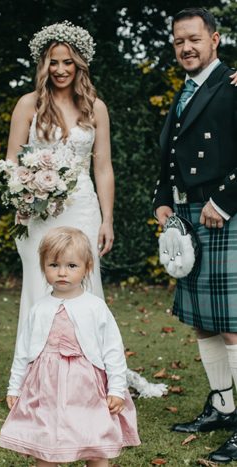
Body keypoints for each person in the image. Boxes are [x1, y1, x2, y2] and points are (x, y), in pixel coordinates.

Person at [152, 8, 237, 464]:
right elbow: (170, 156)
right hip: (188, 213)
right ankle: (223, 405)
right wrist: (162, 198)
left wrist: (224, 201)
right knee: (205, 317)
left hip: (224, 212)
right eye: (179, 41)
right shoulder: (185, 91)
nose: (186, 47)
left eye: (194, 39)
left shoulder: (231, 85)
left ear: (214, 39)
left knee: (233, 323)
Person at [5, 21, 114, 339]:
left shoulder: (96, 108)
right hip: (38, 212)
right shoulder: (29, 104)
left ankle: (88, 368)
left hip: (82, 208)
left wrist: (107, 219)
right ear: (43, 64)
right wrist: (23, 195)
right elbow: (12, 159)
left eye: (68, 62)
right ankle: (38, 369)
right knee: (40, 284)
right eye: (53, 61)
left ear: (79, 64)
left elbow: (103, 167)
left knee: (85, 284)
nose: (61, 69)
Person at [0, 227, 139, 465]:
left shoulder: (95, 307)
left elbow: (113, 350)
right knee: (46, 442)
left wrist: (116, 389)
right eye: (54, 265)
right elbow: (23, 352)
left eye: (71, 266)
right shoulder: (39, 308)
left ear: (87, 268)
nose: (62, 272)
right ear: (43, 266)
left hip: (87, 388)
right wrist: (15, 387)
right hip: (45, 388)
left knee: (94, 441)